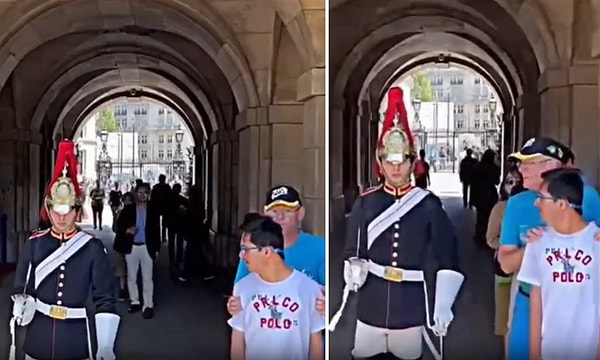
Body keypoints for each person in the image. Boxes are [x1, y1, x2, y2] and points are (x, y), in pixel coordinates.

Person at [329, 87, 463, 360]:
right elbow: (352, 249)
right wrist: (353, 266)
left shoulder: (427, 204)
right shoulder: (366, 202)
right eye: (390, 161)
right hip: (372, 302)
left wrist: (443, 304)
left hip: (410, 304)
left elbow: (447, 256)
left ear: (412, 163)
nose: (396, 168)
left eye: (402, 161)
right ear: (381, 163)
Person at [10, 140, 119, 360]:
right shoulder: (35, 242)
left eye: (68, 210)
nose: (61, 217)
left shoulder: (92, 248)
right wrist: (23, 303)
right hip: (38, 339)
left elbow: (105, 298)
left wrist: (106, 345)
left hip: (75, 338)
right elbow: (22, 285)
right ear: (48, 209)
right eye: (56, 209)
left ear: (77, 210)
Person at [497, 137, 600, 360]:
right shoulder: (516, 204)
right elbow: (505, 264)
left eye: (530, 163)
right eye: (521, 163)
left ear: (553, 166)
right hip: (527, 299)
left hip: (578, 304)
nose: (521, 169)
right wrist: (538, 248)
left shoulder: (588, 197)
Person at [518, 168, 600, 360]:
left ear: (562, 204)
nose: (536, 203)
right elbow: (535, 301)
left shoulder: (596, 242)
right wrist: (535, 355)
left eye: (542, 197)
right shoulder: (537, 242)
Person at [228, 216, 324, 360]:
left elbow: (315, 342)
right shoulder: (242, 288)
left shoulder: (308, 289)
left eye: (245, 249)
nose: (241, 255)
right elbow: (237, 340)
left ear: (267, 252)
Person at [227, 185, 326, 316]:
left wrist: (324, 305)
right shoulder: (253, 250)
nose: (280, 217)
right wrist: (234, 305)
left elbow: (328, 297)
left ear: (300, 213)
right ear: (265, 213)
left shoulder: (320, 248)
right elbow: (239, 295)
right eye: (274, 211)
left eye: (287, 210)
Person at [485, 167, 523, 352]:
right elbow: (491, 239)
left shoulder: (536, 206)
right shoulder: (500, 208)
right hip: (504, 269)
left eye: (517, 180)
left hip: (529, 272)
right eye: (509, 181)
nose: (514, 184)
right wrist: (510, 244)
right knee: (505, 319)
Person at [114, 182, 161, 319]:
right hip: (132, 246)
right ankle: (135, 301)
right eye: (139, 192)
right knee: (132, 276)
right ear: (135, 193)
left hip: (147, 247)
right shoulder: (128, 209)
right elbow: (119, 224)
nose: (142, 195)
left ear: (148, 194)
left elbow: (156, 230)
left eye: (145, 192)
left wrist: (156, 249)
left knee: (148, 278)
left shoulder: (153, 210)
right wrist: (127, 230)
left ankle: (148, 305)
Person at [471, 149, 501, 245]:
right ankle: (486, 237)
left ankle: (478, 236)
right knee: (489, 217)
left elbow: (473, 182)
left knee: (480, 217)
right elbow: (496, 181)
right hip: (490, 195)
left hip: (479, 194)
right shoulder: (494, 168)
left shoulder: (477, 167)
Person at [112, 191, 134, 301]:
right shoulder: (122, 213)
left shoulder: (121, 213)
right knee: (122, 267)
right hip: (123, 243)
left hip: (126, 243)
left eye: (129, 201)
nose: (128, 203)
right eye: (126, 201)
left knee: (127, 268)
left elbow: (115, 229)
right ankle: (124, 289)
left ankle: (125, 289)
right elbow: (115, 228)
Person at [167, 183, 190, 282]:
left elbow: (165, 211)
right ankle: (177, 260)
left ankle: (172, 260)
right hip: (180, 224)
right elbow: (187, 210)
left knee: (171, 242)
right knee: (179, 243)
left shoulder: (168, 199)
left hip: (171, 223)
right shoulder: (182, 199)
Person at [151, 174, 172, 243]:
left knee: (156, 223)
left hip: (157, 207)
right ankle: (163, 237)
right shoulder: (167, 187)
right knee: (164, 224)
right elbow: (170, 197)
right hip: (165, 207)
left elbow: (152, 198)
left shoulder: (155, 187)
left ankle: (157, 237)